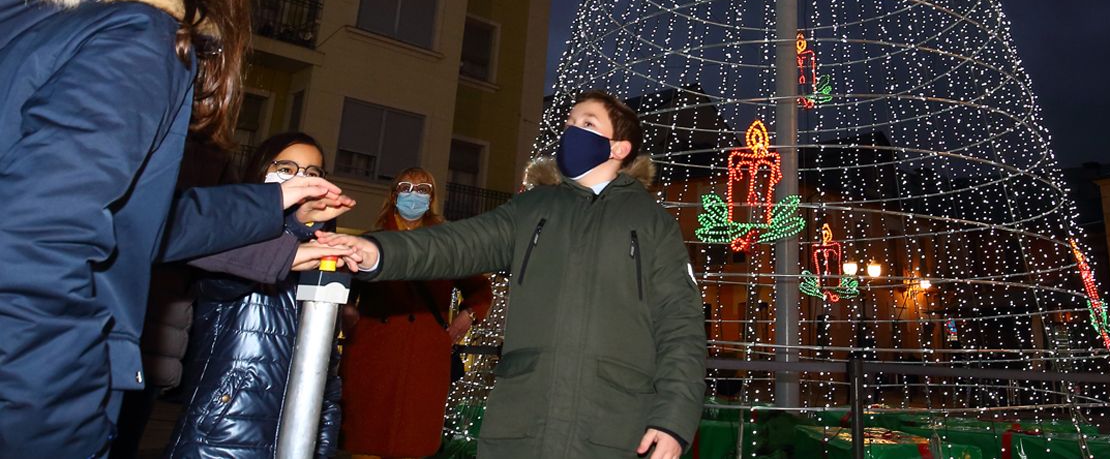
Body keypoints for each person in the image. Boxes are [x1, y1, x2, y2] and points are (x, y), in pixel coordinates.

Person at [0, 0, 352, 457]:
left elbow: (135, 220)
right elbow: (39, 238)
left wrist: (274, 205)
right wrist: (62, 423)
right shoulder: (138, 32)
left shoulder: (31, 16)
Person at [326, 91, 706, 459]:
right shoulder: (532, 209)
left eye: (587, 123)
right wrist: (379, 251)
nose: (571, 131)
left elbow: (681, 327)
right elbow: (458, 242)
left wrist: (673, 421)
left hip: (612, 429)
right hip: (524, 424)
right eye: (570, 122)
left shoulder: (653, 223)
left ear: (618, 148)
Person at [164, 132, 352, 458]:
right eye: (287, 168)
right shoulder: (226, 240)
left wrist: (322, 441)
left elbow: (327, 370)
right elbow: (221, 285)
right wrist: (292, 226)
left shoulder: (321, 257)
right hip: (223, 433)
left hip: (295, 438)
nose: (300, 181)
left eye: (312, 173)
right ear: (262, 171)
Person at [340, 167, 493, 458]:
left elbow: (480, 290)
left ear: (432, 198)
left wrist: (466, 318)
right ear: (394, 193)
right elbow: (345, 287)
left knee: (414, 439)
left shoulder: (448, 244)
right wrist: (348, 314)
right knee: (365, 439)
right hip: (373, 355)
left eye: (423, 189)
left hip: (424, 358)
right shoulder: (372, 240)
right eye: (406, 187)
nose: (414, 195)